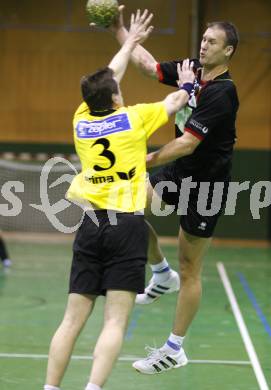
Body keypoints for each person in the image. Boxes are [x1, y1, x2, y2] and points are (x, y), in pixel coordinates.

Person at [44, 9, 196, 390]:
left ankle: (50, 387)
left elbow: (109, 76)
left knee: (71, 321)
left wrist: (128, 43)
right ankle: (93, 387)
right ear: (115, 96)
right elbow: (177, 101)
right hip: (126, 227)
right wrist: (191, 84)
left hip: (90, 224)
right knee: (114, 321)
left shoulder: (81, 120)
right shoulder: (135, 118)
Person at [112, 7, 239, 374]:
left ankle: (174, 348)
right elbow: (148, 66)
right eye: (203, 39)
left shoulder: (223, 94)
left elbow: (187, 143)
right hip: (179, 172)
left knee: (190, 268)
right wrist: (122, 31)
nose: (204, 46)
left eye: (212, 42)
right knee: (127, 210)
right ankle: (159, 271)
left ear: (228, 50)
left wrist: (142, 159)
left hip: (207, 185)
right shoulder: (193, 72)